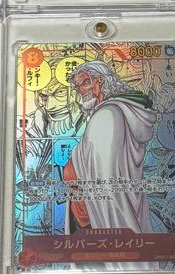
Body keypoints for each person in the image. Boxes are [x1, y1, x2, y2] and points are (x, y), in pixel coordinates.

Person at [63, 61, 157, 239]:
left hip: (106, 211)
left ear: (101, 80)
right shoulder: (115, 111)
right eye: (77, 86)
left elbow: (105, 176)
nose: (80, 90)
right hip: (96, 207)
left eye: (85, 82)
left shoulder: (106, 115)